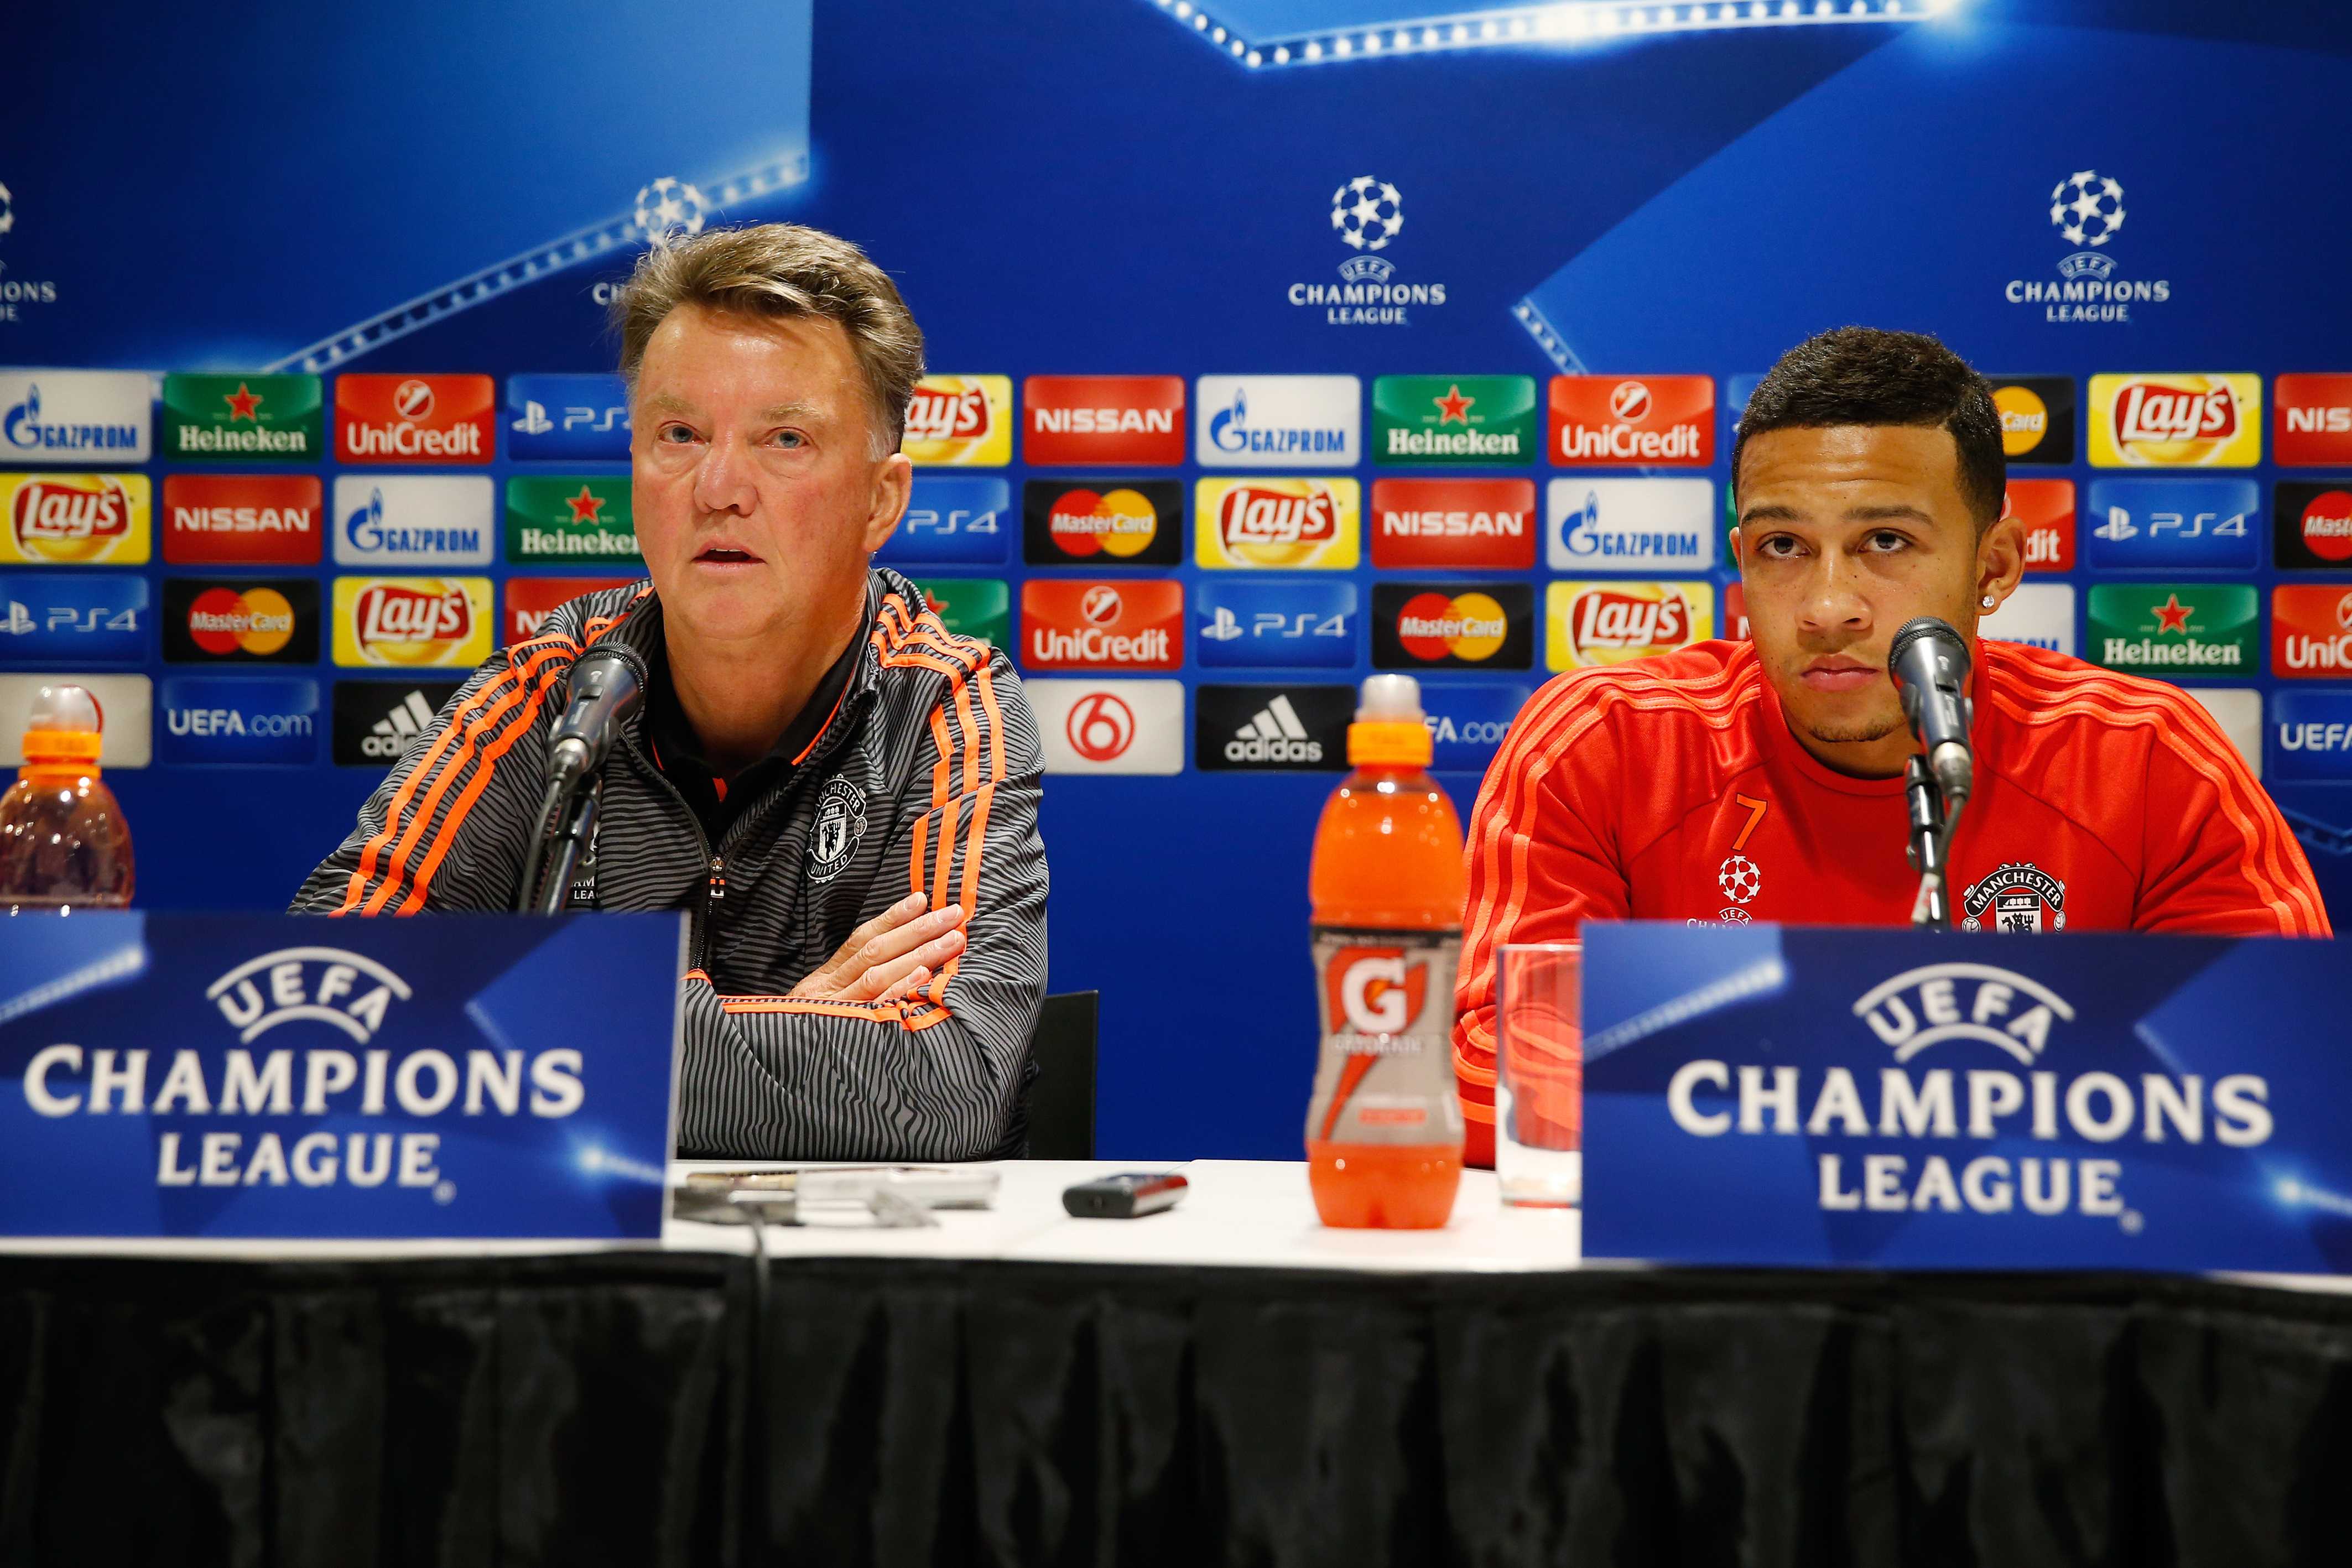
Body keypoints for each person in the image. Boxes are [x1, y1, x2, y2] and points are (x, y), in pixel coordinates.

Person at [1453, 326, 2330, 1166]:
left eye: (1885, 541)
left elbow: (2274, 1072)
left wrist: (1756, 1102)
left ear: (1995, 567)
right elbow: (1493, 1063)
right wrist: (1871, 1120)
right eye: (1783, 547)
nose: (1828, 606)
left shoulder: (2147, 762)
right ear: (1741, 562)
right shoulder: (1602, 747)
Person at [294, 223, 1049, 1161]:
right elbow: (327, 995)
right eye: (680, 435)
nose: (719, 487)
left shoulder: (940, 706)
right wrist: (791, 1021)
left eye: (785, 439)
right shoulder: (558, 687)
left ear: (881, 501)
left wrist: (550, 1026)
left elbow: (947, 1086)